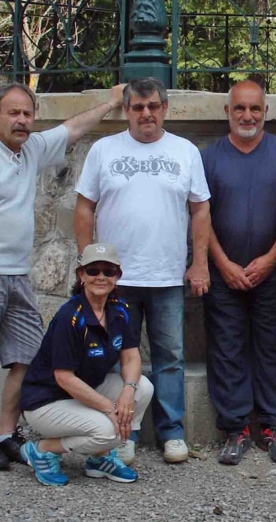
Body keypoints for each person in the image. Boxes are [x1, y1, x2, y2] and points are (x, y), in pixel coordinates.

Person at [0, 81, 124, 470]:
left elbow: (72, 128)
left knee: (26, 357)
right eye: (14, 113)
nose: (22, 120)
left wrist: (109, 103)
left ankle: (6, 434)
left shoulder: (30, 151)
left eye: (28, 113)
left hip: (17, 276)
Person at [74, 77, 212, 464]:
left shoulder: (185, 151)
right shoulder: (104, 150)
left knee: (170, 356)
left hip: (167, 275)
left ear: (165, 109)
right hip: (114, 281)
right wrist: (87, 263)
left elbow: (200, 209)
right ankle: (125, 431)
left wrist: (199, 263)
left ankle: (172, 433)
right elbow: (84, 208)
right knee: (117, 357)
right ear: (127, 110)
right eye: (137, 107)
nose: (146, 113)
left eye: (153, 106)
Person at [202, 80, 276, 465]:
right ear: (227, 111)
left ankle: (275, 427)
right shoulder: (208, 158)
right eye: (240, 108)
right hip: (222, 272)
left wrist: (272, 258)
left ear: (265, 111)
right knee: (226, 349)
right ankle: (235, 429)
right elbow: (199, 216)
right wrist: (222, 263)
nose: (247, 116)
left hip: (270, 272)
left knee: (273, 348)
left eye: (254, 109)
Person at [18, 243, 154, 486]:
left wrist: (128, 390)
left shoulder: (119, 310)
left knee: (143, 388)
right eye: (93, 271)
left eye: (108, 271)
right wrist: (109, 409)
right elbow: (64, 378)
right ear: (81, 275)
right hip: (47, 401)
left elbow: (131, 356)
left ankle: (99, 458)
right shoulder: (69, 317)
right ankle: (41, 450)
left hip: (82, 393)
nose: (100, 277)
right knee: (109, 430)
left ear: (117, 276)